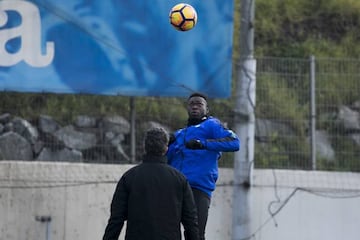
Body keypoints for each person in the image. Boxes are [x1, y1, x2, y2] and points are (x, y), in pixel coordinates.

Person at [103, 127, 199, 240]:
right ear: (166, 148)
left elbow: (116, 220)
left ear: (145, 147)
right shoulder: (179, 179)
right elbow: (191, 221)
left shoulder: (129, 177)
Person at [167, 92, 240, 240]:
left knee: (195, 234)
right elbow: (165, 159)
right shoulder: (179, 134)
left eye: (199, 104)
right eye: (191, 104)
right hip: (175, 188)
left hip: (198, 189)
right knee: (169, 233)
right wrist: (165, 144)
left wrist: (203, 144)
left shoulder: (211, 125)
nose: (194, 106)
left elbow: (234, 143)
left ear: (207, 109)